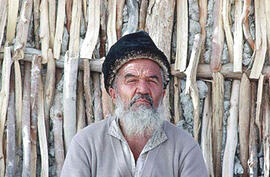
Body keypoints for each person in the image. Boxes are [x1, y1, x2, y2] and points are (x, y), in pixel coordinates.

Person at [60, 31, 208, 177]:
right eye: (131, 80)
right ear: (113, 93)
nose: (143, 89)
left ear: (162, 95)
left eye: (152, 80)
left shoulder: (185, 148)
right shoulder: (86, 144)